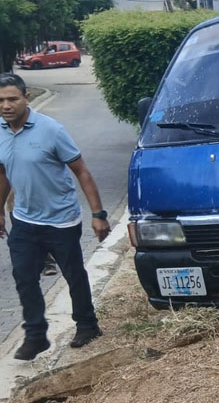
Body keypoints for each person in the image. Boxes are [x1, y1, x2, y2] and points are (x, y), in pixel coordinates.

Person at [0, 72, 110, 361]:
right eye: (0, 100)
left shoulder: (51, 129)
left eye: (12, 98)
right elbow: (2, 173)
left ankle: (88, 325)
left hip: (61, 220)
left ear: (26, 98)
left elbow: (82, 172)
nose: (6, 105)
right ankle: (35, 335)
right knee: (24, 276)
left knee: (74, 274)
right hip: (24, 220)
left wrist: (98, 214)